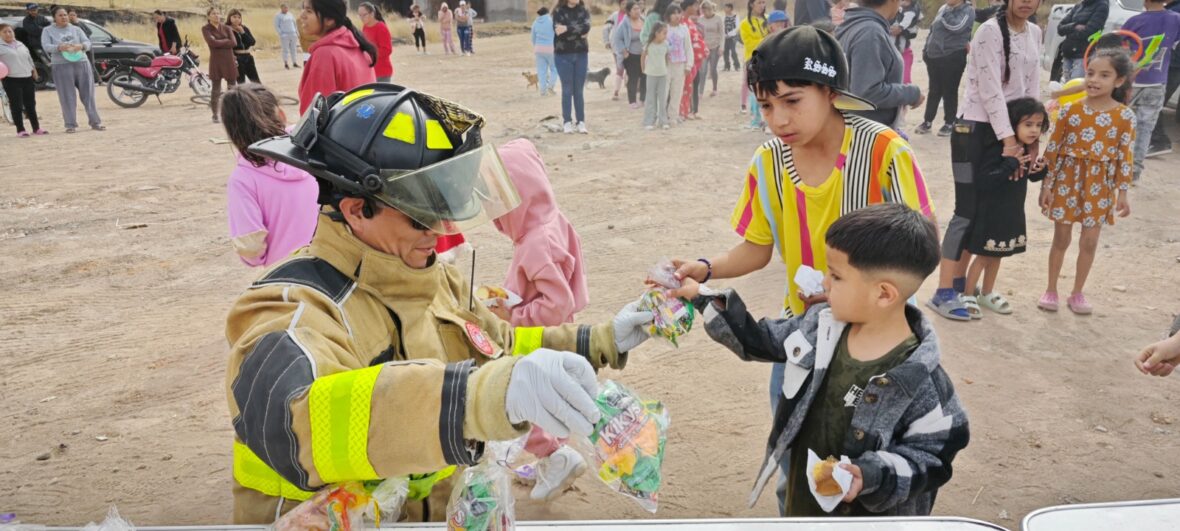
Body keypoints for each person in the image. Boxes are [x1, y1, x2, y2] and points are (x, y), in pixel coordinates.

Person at [229, 83, 655, 523]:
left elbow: (500, 345)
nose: (438, 227)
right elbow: (299, 421)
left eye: (443, 204)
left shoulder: (430, 275)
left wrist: (599, 340)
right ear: (356, 210)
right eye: (419, 212)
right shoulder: (286, 309)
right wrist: (477, 398)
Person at [667, 26, 935, 420]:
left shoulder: (884, 152)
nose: (779, 119)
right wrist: (706, 269)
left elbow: (922, 248)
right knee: (794, 446)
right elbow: (757, 249)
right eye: (766, 105)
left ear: (831, 93)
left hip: (878, 337)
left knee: (866, 452)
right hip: (803, 332)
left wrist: (856, 293)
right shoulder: (768, 162)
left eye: (792, 100)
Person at [682, 203, 969, 517]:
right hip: (804, 505)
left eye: (836, 276)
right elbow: (759, 340)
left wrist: (872, 474)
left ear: (884, 294)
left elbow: (933, 457)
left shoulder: (923, 384)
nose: (825, 284)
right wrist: (700, 294)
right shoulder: (820, 327)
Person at [488, 139, 592, 502]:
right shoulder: (551, 219)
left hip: (536, 337)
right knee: (550, 398)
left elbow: (555, 303)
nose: (496, 217)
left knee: (516, 399)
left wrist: (513, 315)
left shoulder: (534, 243)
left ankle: (557, 457)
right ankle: (552, 458)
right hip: (553, 334)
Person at [928, 0, 1041, 321]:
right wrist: (1010, 139)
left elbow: (1031, 89)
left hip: (1007, 132)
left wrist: (1032, 137)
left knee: (984, 212)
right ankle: (944, 291)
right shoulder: (989, 32)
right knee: (966, 212)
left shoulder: (1034, 31)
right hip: (973, 132)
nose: (1027, 2)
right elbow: (991, 90)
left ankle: (965, 286)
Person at [1037, 48, 1135, 315]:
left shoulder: (1125, 117)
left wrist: (1122, 192)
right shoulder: (1069, 111)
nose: (1094, 80)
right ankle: (1051, 289)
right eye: (1090, 73)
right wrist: (1046, 186)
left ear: (1118, 80)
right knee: (1061, 238)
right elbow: (1053, 150)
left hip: (1100, 185)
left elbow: (1124, 156)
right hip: (1067, 180)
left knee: (1089, 241)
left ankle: (1077, 292)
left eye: (1104, 75)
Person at [962, 98, 1048, 316]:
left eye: (1038, 125)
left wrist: (1040, 170)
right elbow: (984, 180)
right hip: (991, 213)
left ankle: (987, 293)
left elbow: (1029, 178)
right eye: (1028, 124)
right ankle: (968, 294)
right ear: (1012, 124)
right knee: (982, 255)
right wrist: (1010, 163)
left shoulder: (1027, 149)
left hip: (1011, 212)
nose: (1034, 130)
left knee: (998, 255)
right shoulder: (1000, 150)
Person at [222, 84, 319, 268]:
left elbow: (250, 246)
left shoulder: (243, 179)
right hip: (331, 263)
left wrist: (260, 259)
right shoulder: (311, 148)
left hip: (286, 274)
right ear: (281, 114)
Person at [835, 0, 924, 128]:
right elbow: (867, 93)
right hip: (868, 134)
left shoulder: (853, 23)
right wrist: (911, 93)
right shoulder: (870, 32)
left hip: (853, 126)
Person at [1122, 0, 1180, 181]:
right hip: (1157, 83)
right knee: (1145, 127)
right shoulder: (1176, 20)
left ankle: (1117, 164)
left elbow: (1120, 49)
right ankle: (1134, 171)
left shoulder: (1133, 21)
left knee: (1122, 124)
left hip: (1131, 82)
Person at [297, 0, 378, 114]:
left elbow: (315, 114)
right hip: (362, 125)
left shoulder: (325, 54)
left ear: (329, 20)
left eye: (309, 11)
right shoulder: (357, 45)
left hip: (339, 130)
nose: (302, 15)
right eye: (303, 9)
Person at [41, 6, 103, 133]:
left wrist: (81, 45)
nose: (64, 17)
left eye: (65, 15)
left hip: (81, 63)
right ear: (54, 17)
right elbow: (46, 46)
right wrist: (59, 47)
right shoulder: (47, 30)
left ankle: (95, 122)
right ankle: (70, 124)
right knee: (67, 96)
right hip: (61, 65)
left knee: (89, 95)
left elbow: (88, 43)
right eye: (60, 15)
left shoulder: (76, 29)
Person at [916, 0, 972, 136]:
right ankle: (927, 121)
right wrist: (926, 50)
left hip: (953, 56)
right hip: (934, 57)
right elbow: (933, 29)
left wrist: (947, 12)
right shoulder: (944, 8)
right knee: (934, 90)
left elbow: (956, 27)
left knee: (949, 91)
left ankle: (949, 122)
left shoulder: (967, 10)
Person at [553, 0, 592, 134]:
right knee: (567, 89)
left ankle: (581, 121)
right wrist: (577, 31)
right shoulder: (558, 12)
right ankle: (567, 122)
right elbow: (559, 32)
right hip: (563, 56)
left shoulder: (583, 10)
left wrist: (567, 29)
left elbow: (586, 27)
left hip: (581, 54)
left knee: (579, 90)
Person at [1147, 0, 1180, 156]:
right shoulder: (1172, 8)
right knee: (1155, 102)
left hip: (1173, 63)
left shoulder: (1176, 11)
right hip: (1170, 62)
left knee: (1155, 102)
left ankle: (1159, 141)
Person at [0, 22, 45, 137]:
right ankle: (20, 130)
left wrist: (34, 71)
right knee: (16, 105)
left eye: (10, 31)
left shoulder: (20, 44)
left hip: (27, 78)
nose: (8, 34)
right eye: (5, 32)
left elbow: (29, 58)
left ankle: (36, 128)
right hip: (11, 79)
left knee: (31, 104)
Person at [1057, 0, 1108, 82]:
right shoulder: (1078, 6)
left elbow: (1089, 31)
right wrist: (1074, 26)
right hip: (1068, 52)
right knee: (1065, 86)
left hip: (1083, 55)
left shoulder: (1102, 6)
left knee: (1076, 86)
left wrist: (1069, 31)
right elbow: (1060, 28)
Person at [202, 7, 237, 123]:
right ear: (208, 16)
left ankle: (232, 113)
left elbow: (234, 42)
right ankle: (215, 114)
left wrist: (219, 42)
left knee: (232, 88)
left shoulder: (227, 28)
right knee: (216, 89)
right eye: (213, 14)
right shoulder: (206, 29)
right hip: (216, 61)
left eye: (218, 13)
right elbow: (211, 42)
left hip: (229, 60)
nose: (216, 15)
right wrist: (225, 41)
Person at [612, 1, 647, 107]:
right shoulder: (625, 23)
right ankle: (632, 101)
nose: (637, 11)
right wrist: (623, 50)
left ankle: (643, 99)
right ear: (628, 11)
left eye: (638, 8)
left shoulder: (644, 20)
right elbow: (617, 38)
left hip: (644, 55)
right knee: (633, 78)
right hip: (631, 55)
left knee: (645, 77)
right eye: (634, 9)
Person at [738, 0, 768, 115]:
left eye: (763, 2)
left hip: (768, 57)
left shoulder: (769, 19)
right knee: (748, 82)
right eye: (759, 3)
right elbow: (749, 43)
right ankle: (744, 104)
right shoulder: (745, 23)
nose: (762, 5)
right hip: (752, 58)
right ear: (751, 4)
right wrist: (767, 39)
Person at [664, 5, 692, 124]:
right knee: (663, 91)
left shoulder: (684, 28)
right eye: (673, 13)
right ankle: (660, 116)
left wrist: (688, 65)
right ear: (668, 15)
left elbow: (688, 48)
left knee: (677, 92)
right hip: (665, 65)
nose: (676, 16)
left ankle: (673, 116)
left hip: (680, 65)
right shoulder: (664, 28)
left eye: (678, 13)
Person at [681, 0, 708, 120]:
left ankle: (694, 110)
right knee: (684, 86)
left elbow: (698, 38)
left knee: (694, 84)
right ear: (688, 7)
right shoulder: (681, 21)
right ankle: (683, 111)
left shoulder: (690, 21)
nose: (698, 8)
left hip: (695, 60)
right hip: (685, 60)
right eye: (696, 5)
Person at [643, 21, 672, 129]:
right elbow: (643, 56)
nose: (666, 35)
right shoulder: (649, 45)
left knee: (662, 98)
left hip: (662, 75)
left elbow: (667, 57)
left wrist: (665, 68)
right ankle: (649, 121)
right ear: (657, 33)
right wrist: (643, 69)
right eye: (664, 33)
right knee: (650, 98)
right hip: (651, 75)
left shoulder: (666, 44)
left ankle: (663, 121)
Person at [358, 2, 394, 82]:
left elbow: (387, 50)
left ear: (372, 14)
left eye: (364, 15)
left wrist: (370, 54)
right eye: (359, 15)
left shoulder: (381, 27)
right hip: (370, 71)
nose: (361, 18)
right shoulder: (365, 27)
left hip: (382, 73)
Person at [891, 0, 921, 84]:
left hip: (903, 51)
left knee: (905, 81)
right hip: (888, 52)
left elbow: (913, 32)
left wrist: (901, 29)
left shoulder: (912, 10)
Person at [228, 10, 261, 84]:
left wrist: (243, 32)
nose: (237, 19)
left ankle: (259, 95)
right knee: (241, 82)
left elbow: (252, 42)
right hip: (237, 58)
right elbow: (228, 45)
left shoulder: (244, 28)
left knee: (256, 81)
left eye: (239, 17)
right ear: (229, 18)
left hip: (248, 57)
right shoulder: (227, 29)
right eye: (234, 17)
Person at [605, 0, 628, 101]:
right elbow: (605, 28)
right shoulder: (614, 15)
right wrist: (606, 41)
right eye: (623, 4)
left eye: (627, 4)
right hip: (616, 46)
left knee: (630, 68)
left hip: (630, 46)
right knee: (620, 68)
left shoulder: (633, 14)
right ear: (619, 5)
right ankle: (616, 91)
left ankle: (629, 84)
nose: (625, 6)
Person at [698, 1, 723, 97]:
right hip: (704, 48)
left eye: (707, 10)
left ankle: (714, 89)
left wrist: (722, 47)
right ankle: (700, 92)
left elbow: (722, 34)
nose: (705, 12)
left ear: (711, 9)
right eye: (703, 10)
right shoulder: (700, 19)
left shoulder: (718, 18)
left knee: (713, 69)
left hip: (715, 47)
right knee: (703, 70)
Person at [533, 7, 559, 96]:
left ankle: (543, 91)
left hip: (538, 49)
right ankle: (551, 86)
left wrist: (536, 47)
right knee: (554, 69)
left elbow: (533, 38)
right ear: (547, 13)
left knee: (541, 71)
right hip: (551, 48)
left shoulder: (535, 23)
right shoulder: (551, 21)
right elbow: (557, 35)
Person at [275, 3, 303, 69]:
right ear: (281, 8)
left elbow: (294, 24)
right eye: (285, 8)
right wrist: (281, 34)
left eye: (287, 8)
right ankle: (286, 63)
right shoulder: (278, 16)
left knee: (294, 49)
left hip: (293, 34)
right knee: (285, 50)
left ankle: (294, 63)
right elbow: (276, 26)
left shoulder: (290, 14)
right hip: (284, 34)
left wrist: (297, 33)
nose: (286, 9)